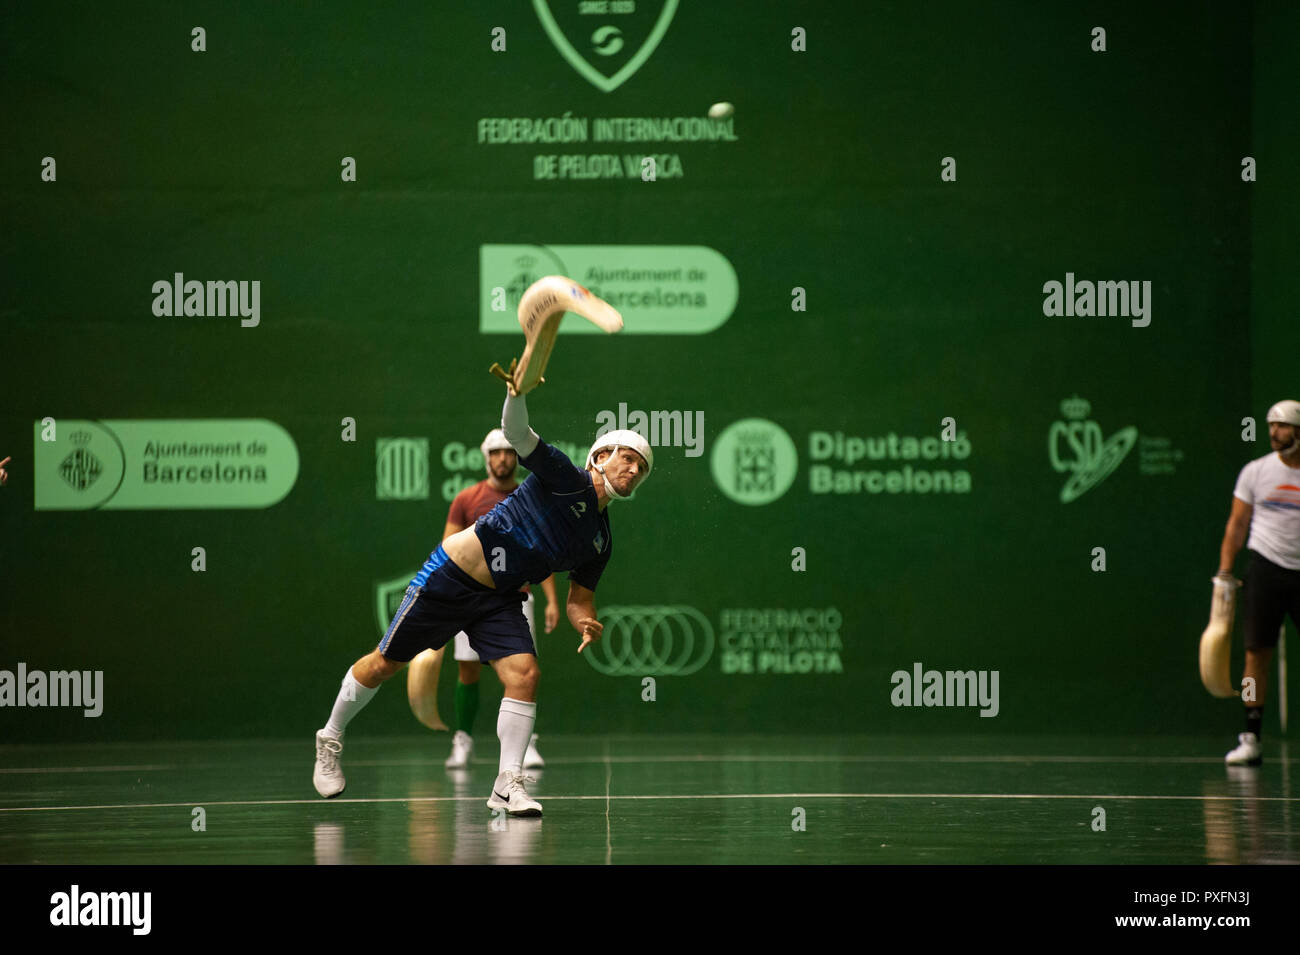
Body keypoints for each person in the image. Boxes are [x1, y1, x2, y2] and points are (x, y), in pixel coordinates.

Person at [313, 384, 653, 815]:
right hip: (451, 577)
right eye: (628, 458)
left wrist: (585, 620)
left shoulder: (601, 541)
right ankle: (330, 738)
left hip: (501, 599)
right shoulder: (564, 475)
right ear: (600, 457)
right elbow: (515, 429)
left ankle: (507, 784)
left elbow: (579, 599)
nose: (633, 470)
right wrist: (517, 392)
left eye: (641, 468)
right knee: (384, 663)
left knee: (525, 675)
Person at [410, 428, 558, 770]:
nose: (503, 458)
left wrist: (551, 599)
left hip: (517, 598)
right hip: (468, 597)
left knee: (522, 674)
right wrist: (439, 600)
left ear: (517, 457)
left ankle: (526, 745)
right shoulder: (466, 499)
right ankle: (462, 740)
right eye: (496, 452)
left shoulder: (530, 497)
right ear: (486, 457)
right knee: (468, 671)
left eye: (509, 452)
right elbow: (447, 551)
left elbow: (542, 553)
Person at [1216, 398, 1300, 765]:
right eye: (1270, 425)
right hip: (1265, 569)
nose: (1273, 432)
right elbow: (1237, 525)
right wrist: (1224, 573)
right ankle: (1251, 737)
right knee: (1255, 655)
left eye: (1281, 426)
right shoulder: (1255, 471)